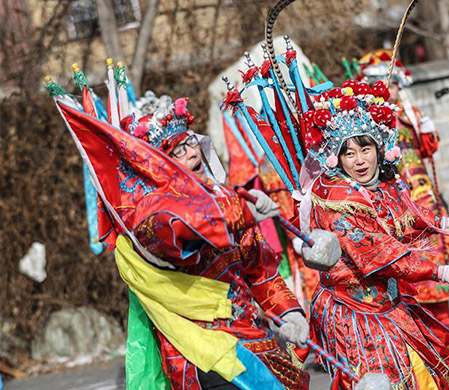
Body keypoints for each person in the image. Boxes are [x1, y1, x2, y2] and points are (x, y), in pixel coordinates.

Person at [50, 80, 313, 390]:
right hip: (202, 352)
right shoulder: (151, 215)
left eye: (190, 143)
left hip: (255, 340)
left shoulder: (226, 195)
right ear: (160, 168)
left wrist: (290, 312)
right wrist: (241, 214)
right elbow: (181, 227)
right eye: (177, 151)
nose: (191, 152)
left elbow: (260, 272)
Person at [301, 79, 449, 390]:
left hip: (389, 301)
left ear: (379, 149)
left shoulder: (380, 183)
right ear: (336, 158)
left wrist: (438, 223)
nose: (359, 160)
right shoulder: (338, 200)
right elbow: (380, 252)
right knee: (396, 379)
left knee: (438, 363)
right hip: (357, 311)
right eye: (348, 154)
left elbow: (403, 215)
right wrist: (439, 270)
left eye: (365, 149)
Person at [359, 50, 449, 325]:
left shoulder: (411, 113)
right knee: (409, 246)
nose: (394, 90)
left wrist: (427, 132)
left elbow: (427, 150)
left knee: (435, 240)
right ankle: (419, 311)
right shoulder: (371, 118)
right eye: (389, 85)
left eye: (396, 85)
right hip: (397, 191)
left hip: (422, 186)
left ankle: (444, 308)